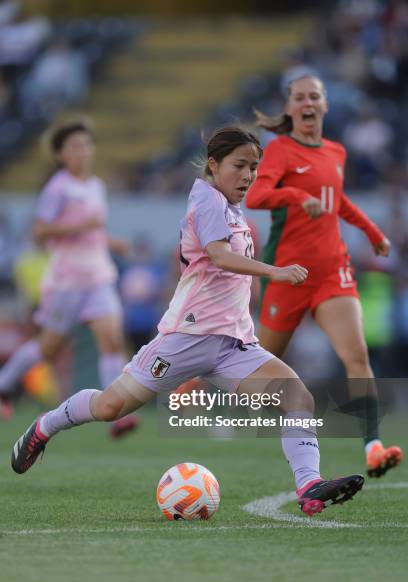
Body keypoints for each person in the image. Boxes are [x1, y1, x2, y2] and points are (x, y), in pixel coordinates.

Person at [11, 125, 365, 517]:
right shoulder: (208, 200)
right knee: (111, 406)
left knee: (298, 397)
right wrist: (275, 272)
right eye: (240, 165)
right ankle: (45, 425)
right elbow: (219, 256)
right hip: (186, 338)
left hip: (233, 344)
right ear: (213, 165)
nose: (248, 175)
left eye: (254, 167)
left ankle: (309, 485)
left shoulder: (231, 207)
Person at [247, 75, 403, 477]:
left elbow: (339, 200)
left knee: (356, 355)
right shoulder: (280, 150)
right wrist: (298, 196)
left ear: (325, 104)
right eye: (299, 97)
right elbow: (256, 196)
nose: (307, 103)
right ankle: (209, 393)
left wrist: (373, 233)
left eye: (313, 96)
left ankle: (372, 446)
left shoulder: (336, 151)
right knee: (260, 364)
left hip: (333, 270)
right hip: (288, 273)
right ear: (291, 109)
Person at [0, 119, 137, 438]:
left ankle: (116, 413)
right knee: (47, 350)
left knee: (112, 339)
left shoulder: (95, 186)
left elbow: (93, 231)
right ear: (61, 154)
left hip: (99, 275)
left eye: (86, 145)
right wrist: (80, 227)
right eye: (75, 146)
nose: (82, 151)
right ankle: (4, 385)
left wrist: (111, 241)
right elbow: (39, 232)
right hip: (67, 281)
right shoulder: (57, 188)